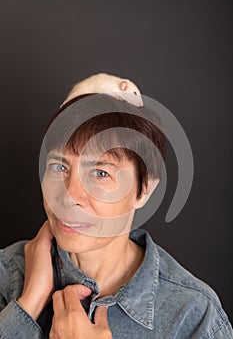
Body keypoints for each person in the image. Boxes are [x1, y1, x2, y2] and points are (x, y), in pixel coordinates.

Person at [0, 93, 232, 339]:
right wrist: (29, 303)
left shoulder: (193, 316)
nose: (69, 196)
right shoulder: (7, 273)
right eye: (59, 167)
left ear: (144, 190)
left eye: (100, 173)